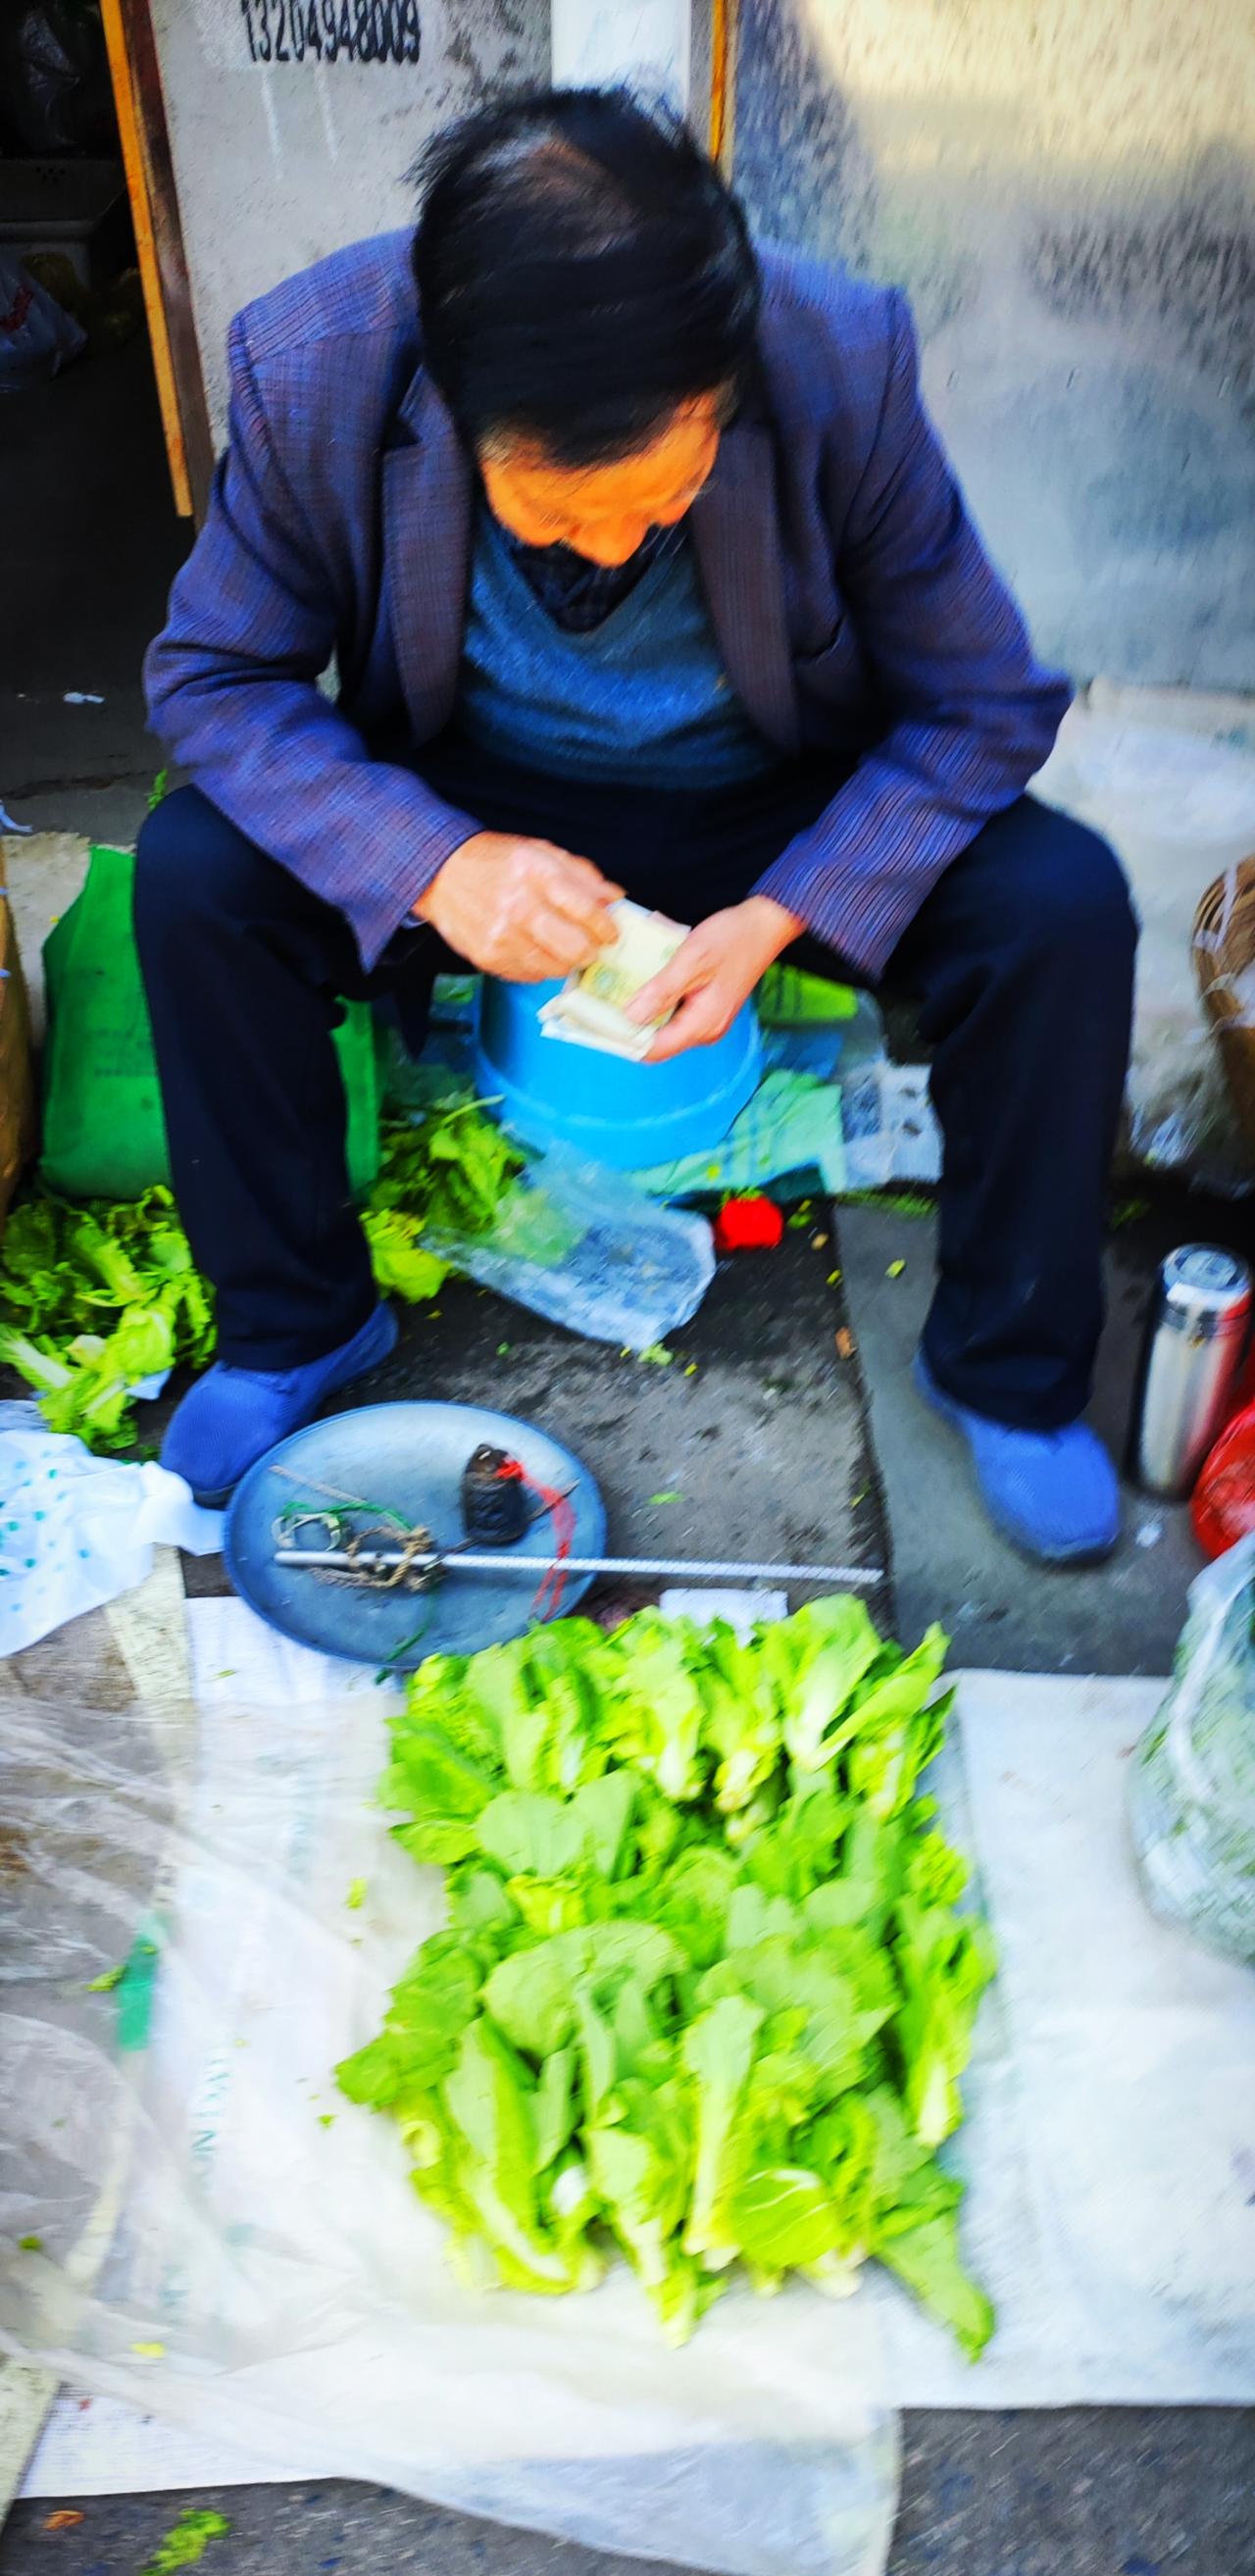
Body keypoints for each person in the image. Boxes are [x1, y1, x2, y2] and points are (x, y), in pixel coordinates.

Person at [135, 86, 1136, 1557]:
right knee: (195, 874)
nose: (614, 543)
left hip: (769, 809)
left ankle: (1010, 1368)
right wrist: (434, 860)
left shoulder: (833, 359)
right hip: (472, 801)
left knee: (1062, 902)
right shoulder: (322, 367)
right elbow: (213, 678)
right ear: (459, 412)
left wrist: (780, 912)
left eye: (660, 502)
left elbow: (985, 702)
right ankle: (299, 1325)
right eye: (560, 517)